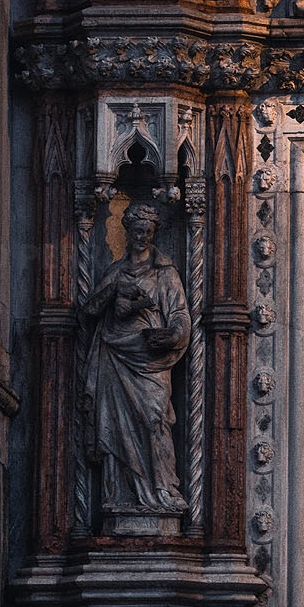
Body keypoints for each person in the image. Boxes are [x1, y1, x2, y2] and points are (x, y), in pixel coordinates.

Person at [84, 201, 192, 515]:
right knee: (116, 427)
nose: (142, 237)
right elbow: (89, 311)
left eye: (148, 231)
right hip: (116, 356)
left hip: (150, 360)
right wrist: (113, 289)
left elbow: (181, 315)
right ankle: (121, 495)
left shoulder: (165, 271)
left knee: (155, 420)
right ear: (127, 232)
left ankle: (162, 490)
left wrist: (172, 335)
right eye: (137, 231)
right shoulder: (115, 272)